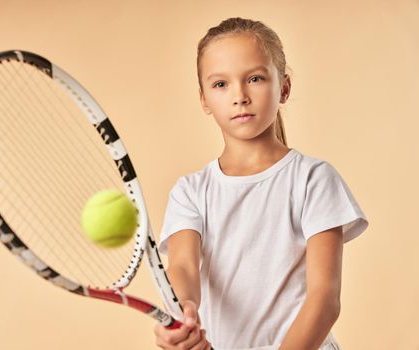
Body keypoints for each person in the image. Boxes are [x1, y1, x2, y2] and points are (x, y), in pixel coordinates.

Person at [153, 17, 369, 350]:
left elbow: (324, 299)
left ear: (284, 87)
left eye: (254, 78)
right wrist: (184, 313)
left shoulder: (313, 180)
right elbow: (183, 266)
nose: (239, 96)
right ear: (204, 100)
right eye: (220, 84)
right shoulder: (190, 192)